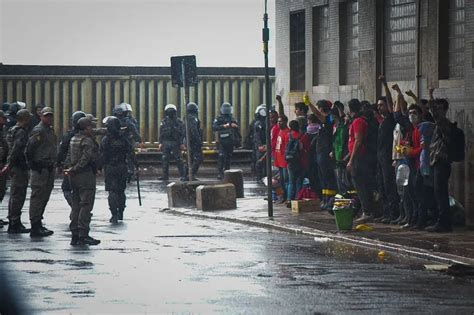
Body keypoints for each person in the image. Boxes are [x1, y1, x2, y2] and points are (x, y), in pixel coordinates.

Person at [65, 117, 101, 246]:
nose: (92, 129)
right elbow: (86, 158)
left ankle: (75, 233)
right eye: (91, 127)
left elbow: (69, 156)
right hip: (85, 175)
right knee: (86, 205)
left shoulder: (74, 138)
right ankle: (83, 234)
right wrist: (76, 168)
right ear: (86, 128)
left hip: (73, 176)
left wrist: (70, 169)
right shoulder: (87, 141)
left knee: (76, 205)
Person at [25, 107, 56, 237]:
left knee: (44, 196)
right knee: (37, 197)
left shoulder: (49, 130)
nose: (49, 118)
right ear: (41, 117)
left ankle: (39, 222)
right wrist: (33, 164)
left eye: (50, 116)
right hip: (40, 168)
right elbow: (29, 149)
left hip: (48, 168)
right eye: (46, 116)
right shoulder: (38, 130)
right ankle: (35, 225)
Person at [426, 98, 456, 233]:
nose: (435, 111)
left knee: (440, 193)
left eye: (438, 108)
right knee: (439, 193)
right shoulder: (440, 124)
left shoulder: (444, 123)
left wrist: (431, 97)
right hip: (437, 163)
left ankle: (443, 223)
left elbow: (434, 113)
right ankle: (443, 222)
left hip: (441, 163)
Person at [2, 109, 32, 233]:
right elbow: (16, 149)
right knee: (18, 195)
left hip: (15, 166)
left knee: (15, 195)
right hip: (19, 166)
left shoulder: (12, 129)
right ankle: (15, 222)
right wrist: (10, 164)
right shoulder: (21, 132)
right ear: (25, 118)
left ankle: (14, 220)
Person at [376, 75, 400, 224]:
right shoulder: (382, 121)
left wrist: (385, 84)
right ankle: (386, 213)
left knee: (389, 185)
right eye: (378, 105)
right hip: (380, 156)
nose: (379, 108)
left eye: (381, 105)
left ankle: (393, 214)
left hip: (387, 157)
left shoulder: (391, 119)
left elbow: (390, 102)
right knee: (382, 185)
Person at [101, 116, 133, 223]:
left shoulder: (106, 139)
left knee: (112, 192)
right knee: (121, 191)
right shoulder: (124, 139)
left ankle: (114, 214)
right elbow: (131, 153)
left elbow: (102, 155)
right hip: (122, 167)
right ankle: (121, 212)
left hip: (110, 168)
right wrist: (135, 167)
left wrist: (99, 167)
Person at [346, 99, 373, 224]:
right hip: (356, 156)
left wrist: (351, 160)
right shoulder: (357, 121)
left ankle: (367, 211)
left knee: (361, 185)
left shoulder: (358, 121)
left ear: (350, 110)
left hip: (360, 158)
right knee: (358, 185)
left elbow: (358, 140)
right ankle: (365, 210)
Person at [57, 111, 87, 207]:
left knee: (66, 188)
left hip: (70, 167)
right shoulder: (87, 135)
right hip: (84, 167)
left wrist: (59, 164)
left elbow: (62, 151)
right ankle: (82, 209)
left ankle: (76, 207)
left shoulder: (69, 135)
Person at [213, 102, 241, 179]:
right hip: (221, 141)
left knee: (228, 157)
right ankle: (220, 172)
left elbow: (237, 129)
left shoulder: (232, 118)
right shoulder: (219, 118)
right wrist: (224, 126)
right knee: (222, 156)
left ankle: (227, 172)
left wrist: (235, 126)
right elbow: (215, 127)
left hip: (230, 141)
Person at [158, 104, 186, 181]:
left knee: (178, 159)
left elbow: (182, 133)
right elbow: (161, 133)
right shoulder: (164, 121)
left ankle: (183, 175)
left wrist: (182, 143)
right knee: (165, 159)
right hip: (167, 142)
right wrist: (160, 142)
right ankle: (165, 176)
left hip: (175, 142)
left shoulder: (179, 121)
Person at [184, 102, 203, 181]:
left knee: (190, 158)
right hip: (194, 141)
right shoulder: (193, 118)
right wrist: (198, 140)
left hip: (189, 141)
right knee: (199, 158)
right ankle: (191, 174)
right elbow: (194, 130)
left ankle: (185, 175)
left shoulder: (186, 118)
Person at [273, 115, 290, 203]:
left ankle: (287, 197)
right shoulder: (280, 131)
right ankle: (283, 196)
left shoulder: (287, 132)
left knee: (286, 180)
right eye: (278, 121)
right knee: (281, 180)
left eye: (281, 121)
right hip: (279, 160)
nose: (279, 123)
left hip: (284, 161)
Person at [253, 104, 267, 182]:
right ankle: (259, 177)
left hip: (264, 144)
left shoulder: (263, 122)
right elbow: (257, 136)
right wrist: (260, 145)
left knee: (263, 162)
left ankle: (263, 177)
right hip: (261, 145)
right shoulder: (259, 123)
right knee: (260, 161)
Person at [0, 111, 9, 227]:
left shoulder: (2, 130)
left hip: (2, 163)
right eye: (3, 118)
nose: (5, 120)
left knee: (1, 192)